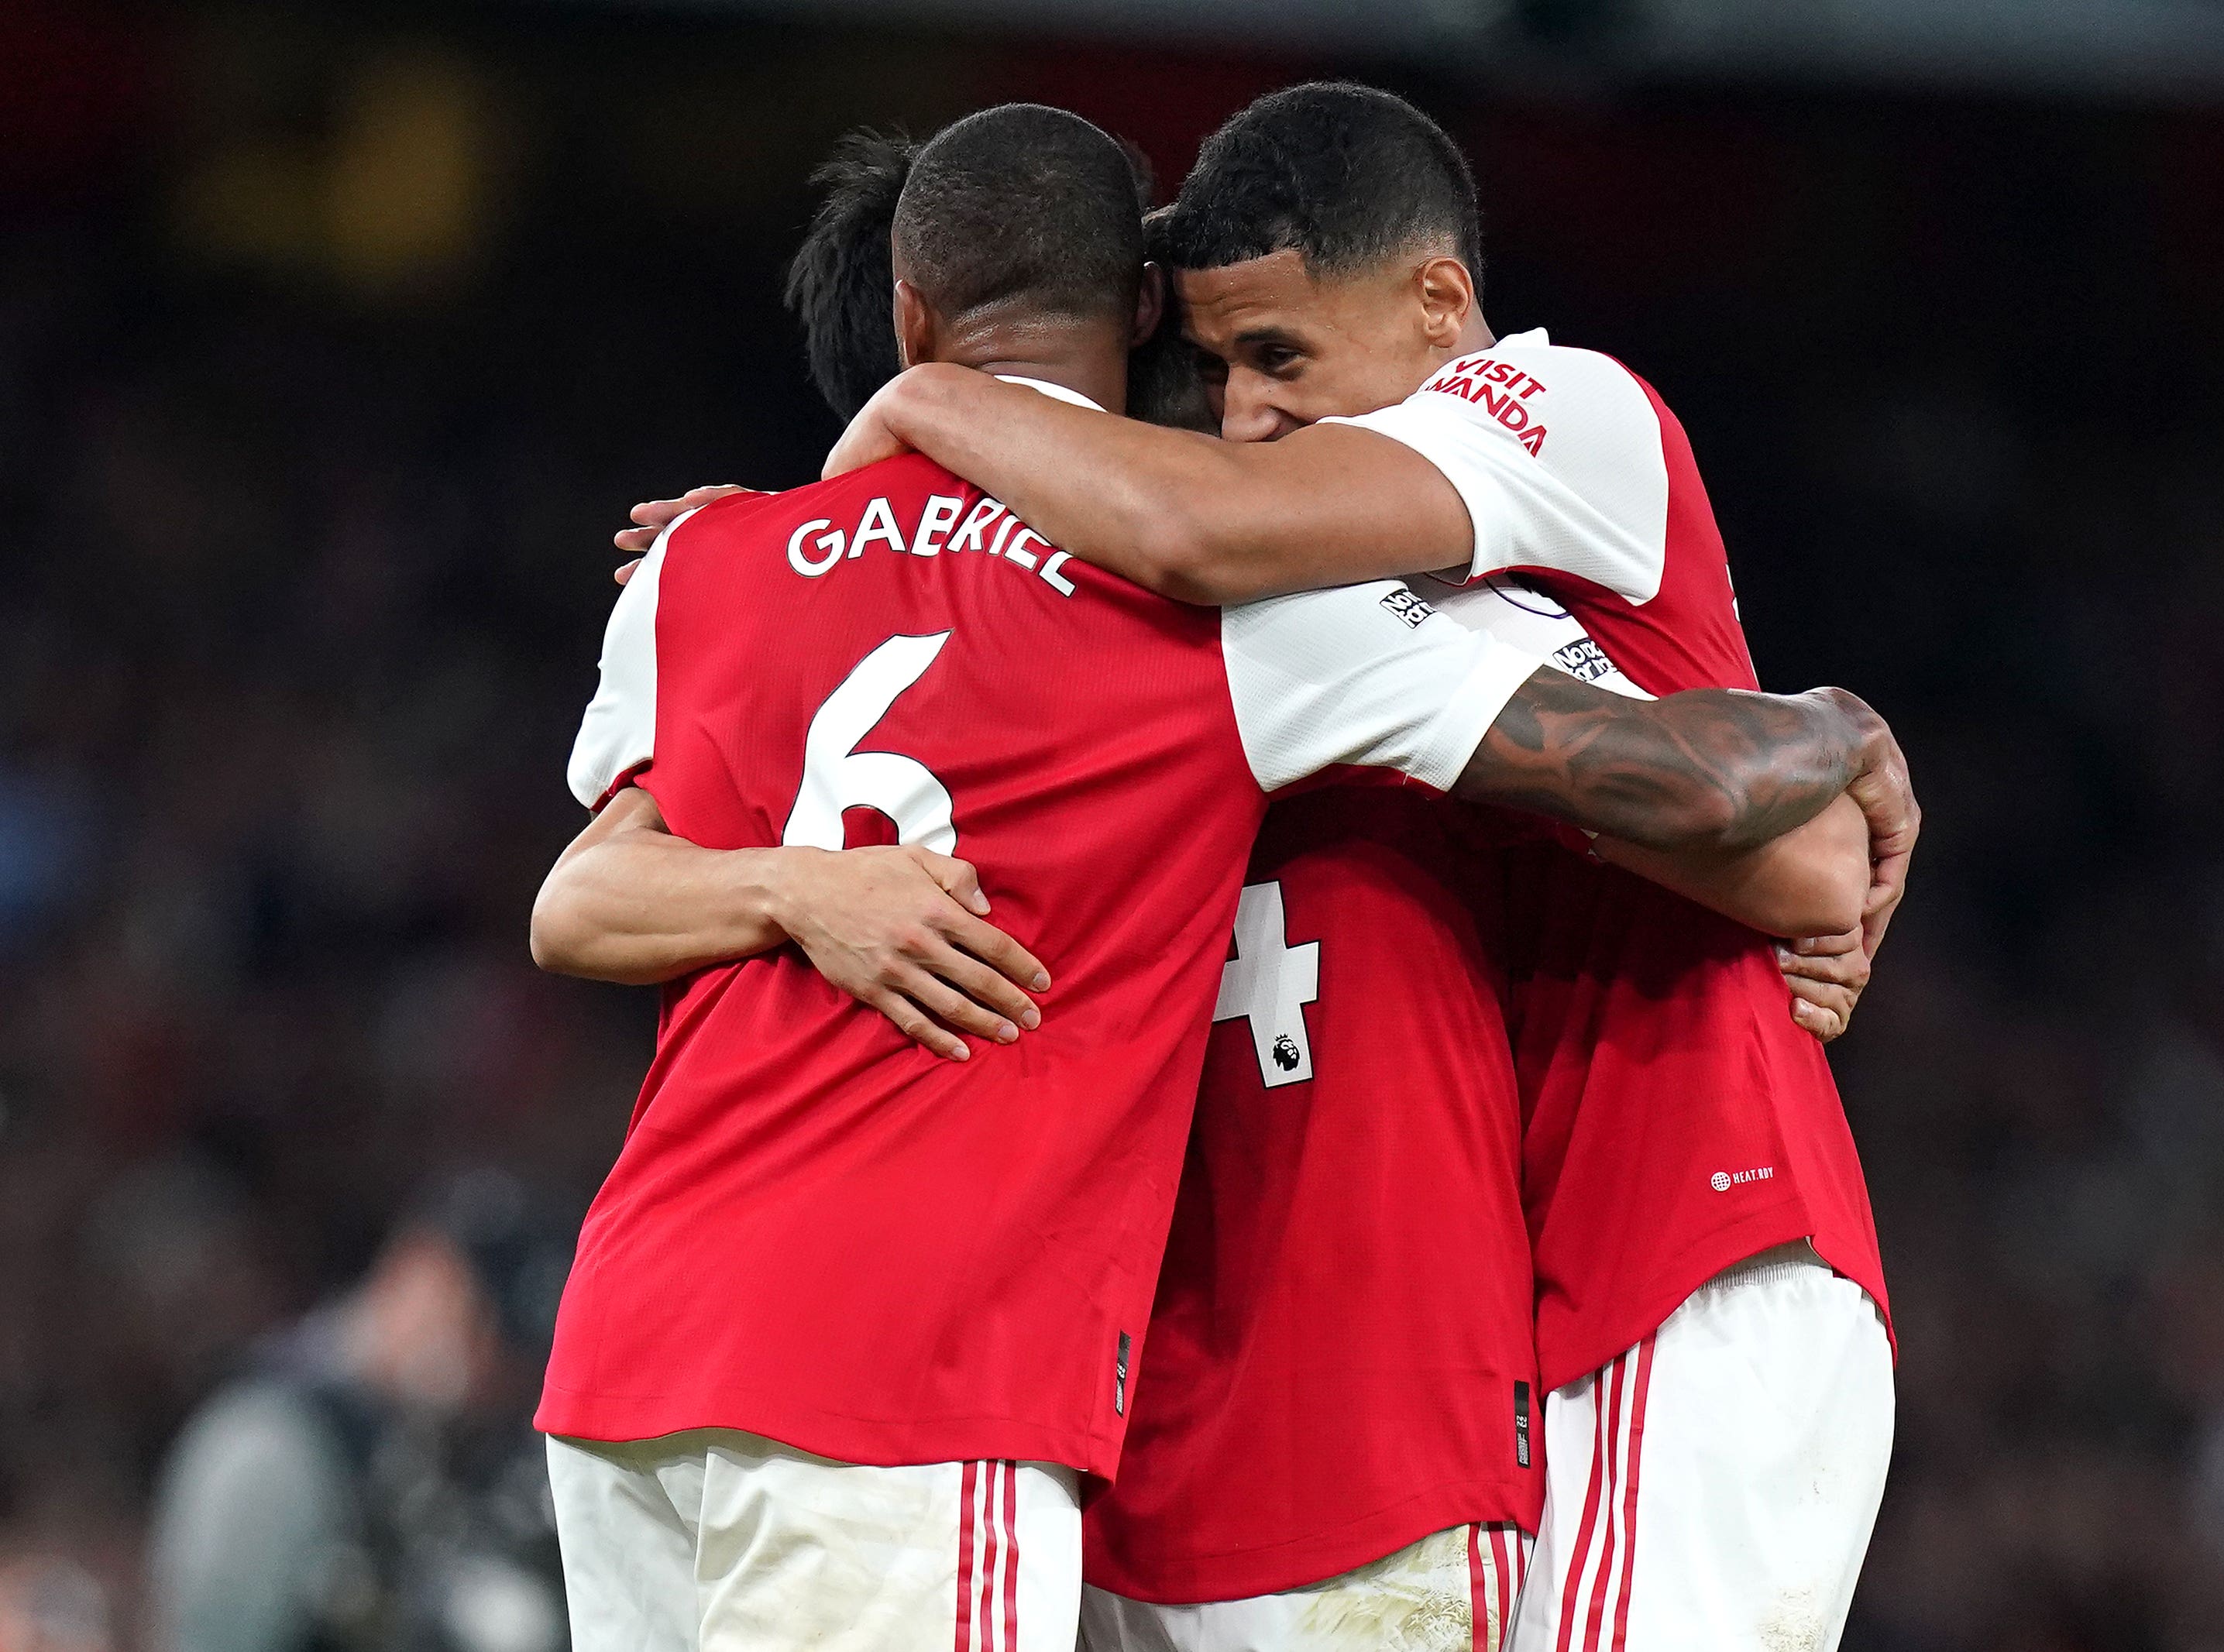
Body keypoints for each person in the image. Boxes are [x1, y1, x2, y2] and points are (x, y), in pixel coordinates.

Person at [533, 101, 1909, 1652]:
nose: (1253, 419)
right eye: (1220, 371)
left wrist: (860, 466)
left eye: (1276, 359)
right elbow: (1801, 853)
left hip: (1664, 1248)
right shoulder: (1231, 621)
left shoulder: (1542, 420)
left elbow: (579, 897)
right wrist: (1843, 730)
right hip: (1009, 1385)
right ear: (1134, 328)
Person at [150, 1170, 571, 1652]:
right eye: (479, 1322)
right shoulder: (272, 1439)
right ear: (416, 1273)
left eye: (514, 1352)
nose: (494, 1371)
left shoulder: (461, 1445)